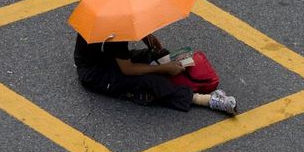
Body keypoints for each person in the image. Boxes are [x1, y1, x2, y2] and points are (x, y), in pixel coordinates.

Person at [73, 33, 237, 114]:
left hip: (108, 59)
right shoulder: (115, 35)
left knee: (155, 54)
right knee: (151, 81)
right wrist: (163, 69)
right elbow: (127, 69)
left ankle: (178, 79)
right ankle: (207, 100)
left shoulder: (119, 23)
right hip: (96, 74)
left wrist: (148, 38)